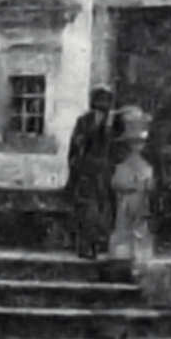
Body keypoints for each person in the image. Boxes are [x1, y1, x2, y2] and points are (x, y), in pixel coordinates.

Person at [66, 85, 117, 259]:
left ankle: (100, 245)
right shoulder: (84, 121)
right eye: (100, 99)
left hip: (105, 173)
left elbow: (117, 147)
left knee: (104, 211)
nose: (103, 104)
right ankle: (86, 246)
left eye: (106, 100)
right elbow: (76, 145)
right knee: (88, 210)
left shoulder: (114, 122)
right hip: (87, 172)